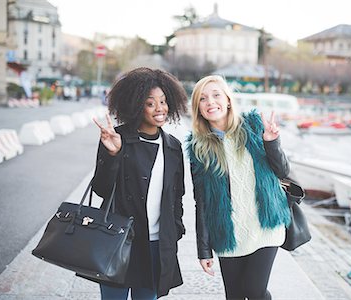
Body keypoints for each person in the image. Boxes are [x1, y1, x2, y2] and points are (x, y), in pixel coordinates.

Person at [187, 75, 292, 300]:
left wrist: (272, 142)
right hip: (229, 233)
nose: (210, 102)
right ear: (198, 108)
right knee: (234, 296)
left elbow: (283, 172)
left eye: (216, 95)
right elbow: (202, 202)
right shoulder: (199, 149)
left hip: (264, 226)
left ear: (227, 100)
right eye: (203, 99)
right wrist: (203, 250)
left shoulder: (254, 126)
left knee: (254, 292)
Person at [91, 67, 188, 300]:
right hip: (119, 240)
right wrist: (113, 155)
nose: (160, 109)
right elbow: (101, 188)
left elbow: (177, 195)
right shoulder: (117, 138)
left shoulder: (173, 146)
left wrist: (175, 229)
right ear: (135, 105)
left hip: (155, 244)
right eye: (150, 103)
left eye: (163, 102)